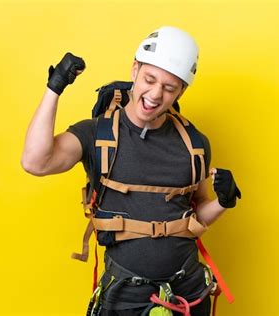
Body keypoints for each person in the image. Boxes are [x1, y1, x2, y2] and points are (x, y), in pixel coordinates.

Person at [21, 26, 241, 316]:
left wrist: (223, 203)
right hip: (125, 296)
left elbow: (196, 216)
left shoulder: (194, 145)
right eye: (150, 79)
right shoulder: (96, 135)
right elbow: (36, 162)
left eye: (169, 87)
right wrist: (55, 87)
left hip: (188, 292)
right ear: (134, 70)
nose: (155, 94)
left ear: (182, 91)